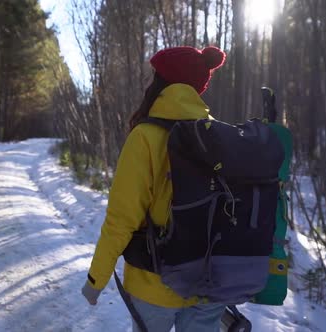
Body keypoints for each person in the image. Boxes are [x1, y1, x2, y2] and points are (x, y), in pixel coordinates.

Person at [81, 46, 228, 332]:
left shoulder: (145, 137)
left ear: (163, 83)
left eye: (154, 77)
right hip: (209, 284)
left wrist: (95, 279)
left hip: (155, 282)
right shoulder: (219, 134)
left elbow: (121, 219)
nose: (149, 83)